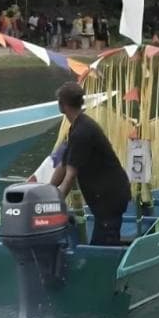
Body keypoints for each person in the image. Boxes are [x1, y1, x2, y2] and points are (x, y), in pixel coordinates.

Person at [50, 82, 131, 246]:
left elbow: (70, 176)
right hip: (105, 196)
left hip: (109, 197)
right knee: (102, 241)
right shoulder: (77, 127)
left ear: (62, 105)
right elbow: (63, 165)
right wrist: (46, 192)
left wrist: (53, 205)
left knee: (103, 247)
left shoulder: (82, 132)